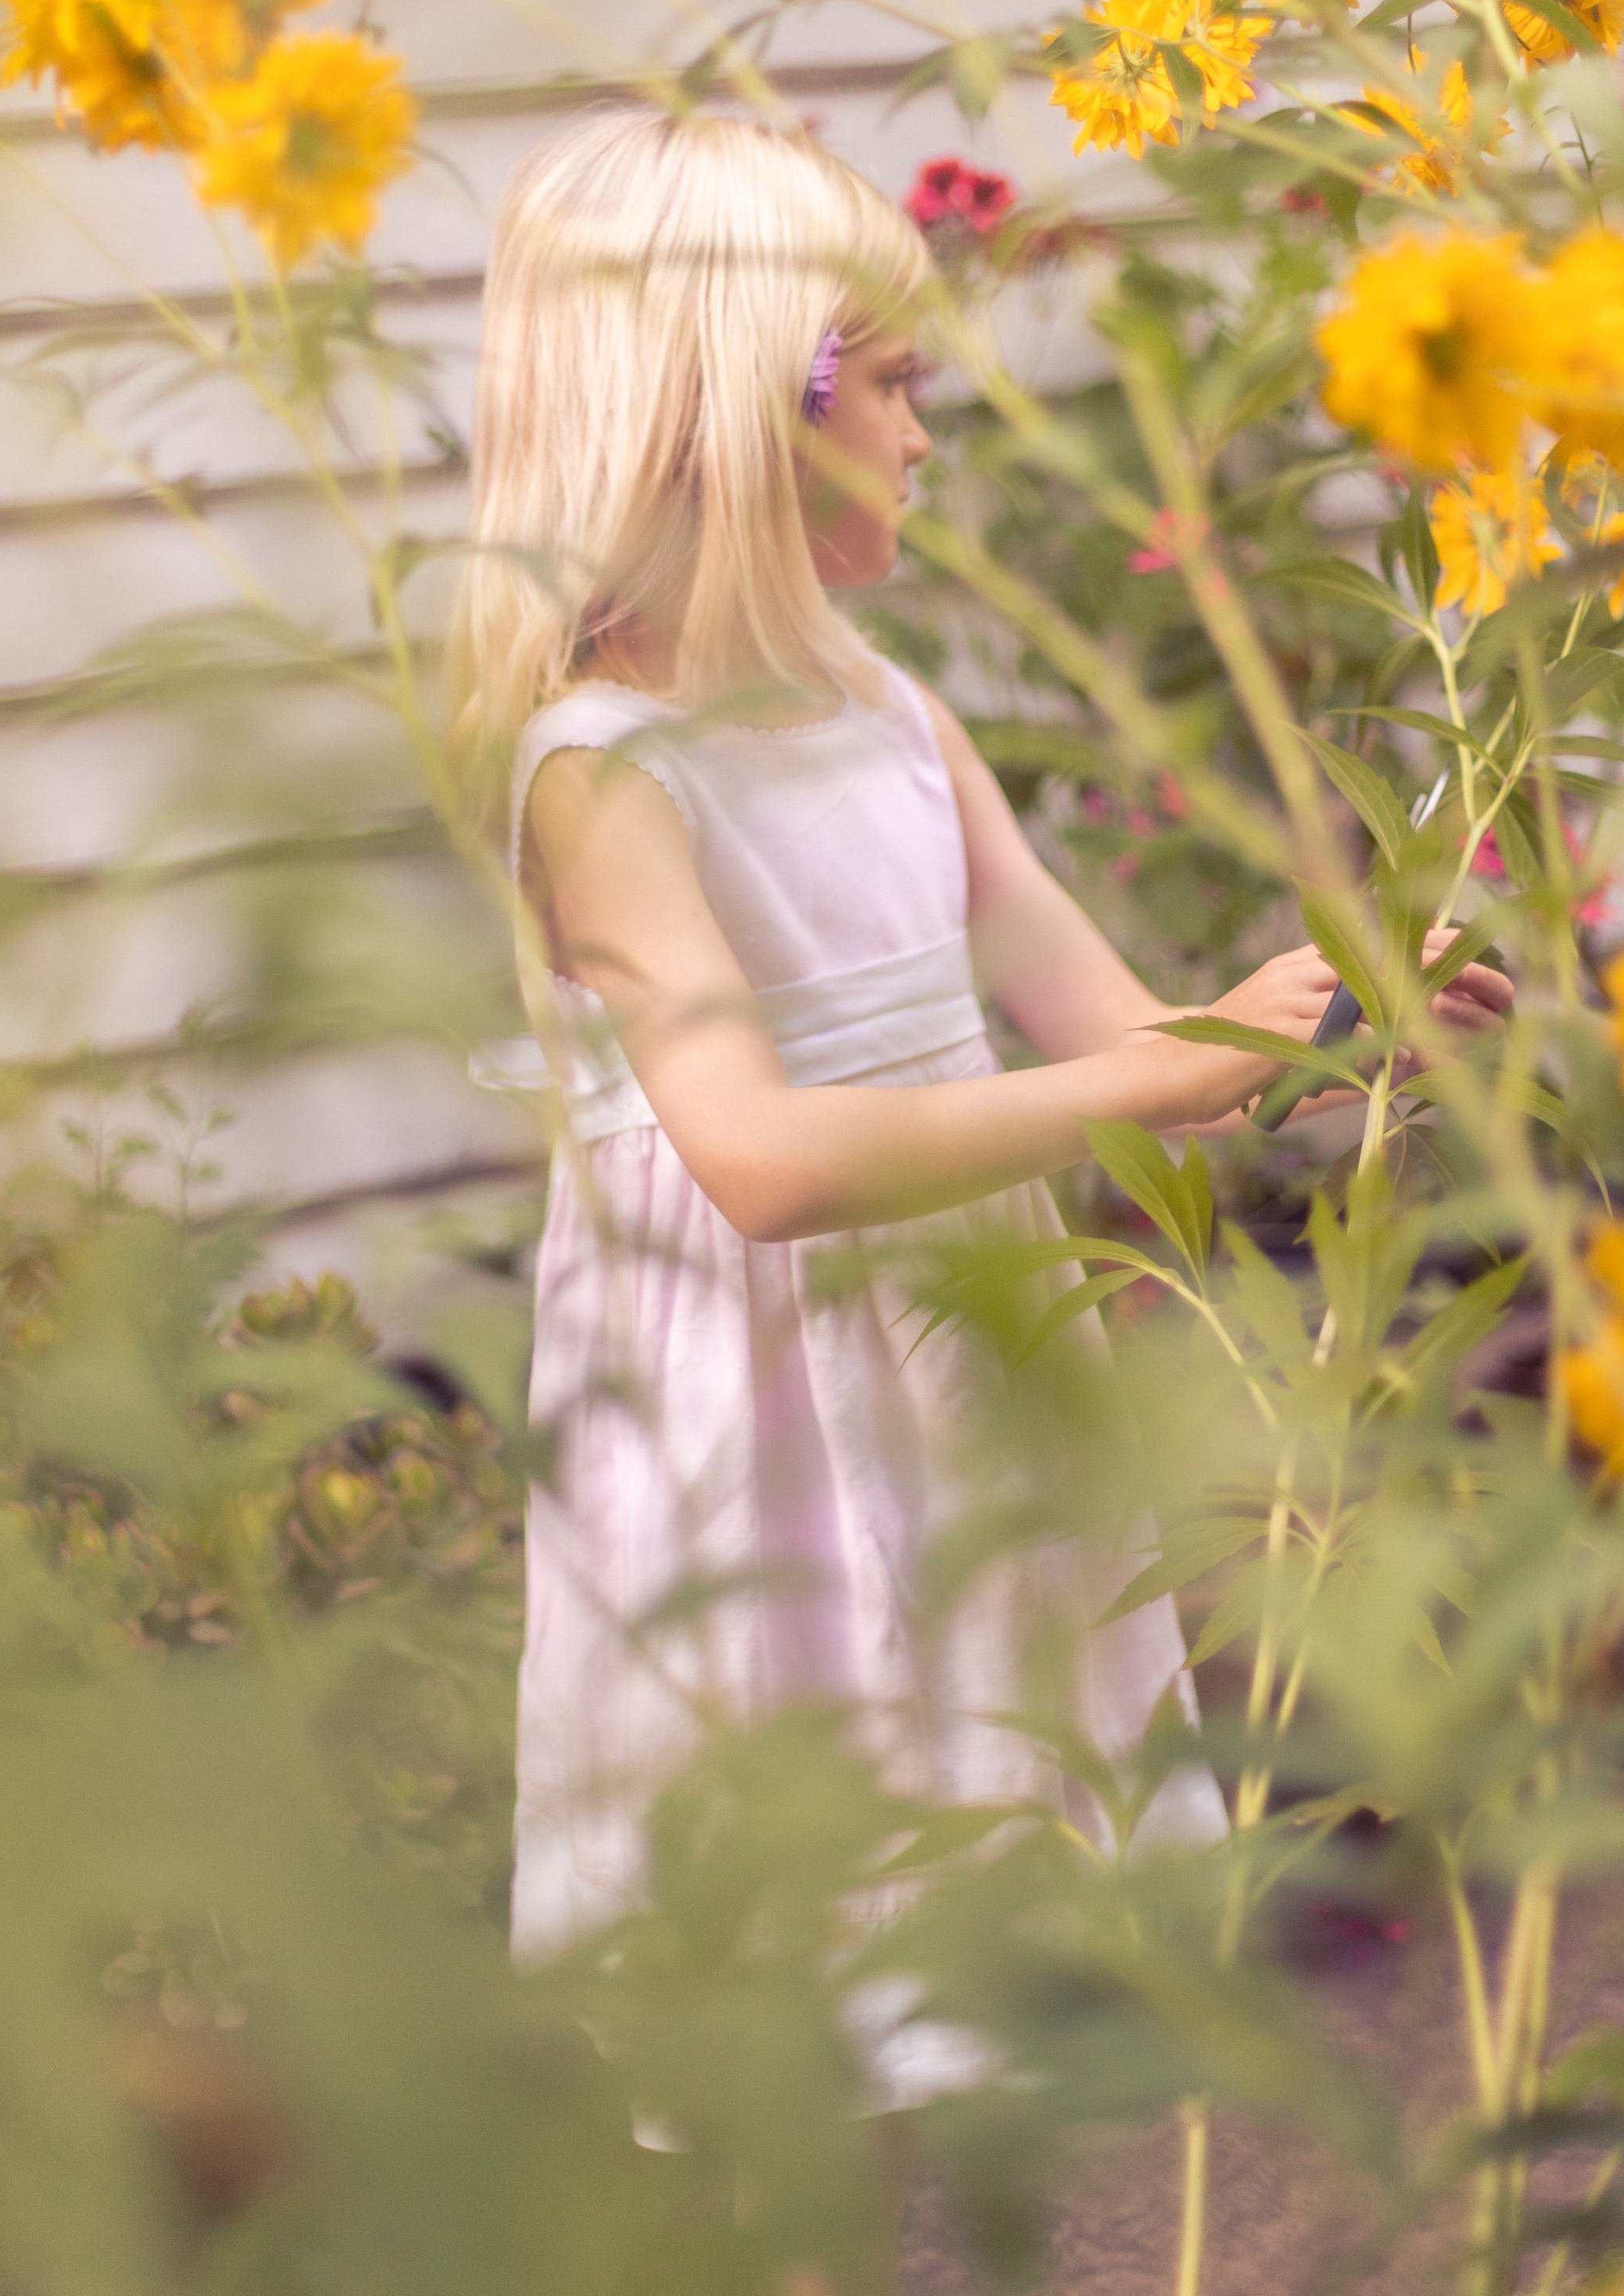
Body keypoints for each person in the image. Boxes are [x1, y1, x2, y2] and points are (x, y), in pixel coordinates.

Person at [449, 110, 1512, 1987]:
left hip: (958, 1367)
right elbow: (758, 1161)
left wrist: (1343, 1014)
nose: (930, 434)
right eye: (898, 386)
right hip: (748, 1427)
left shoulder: (888, 713)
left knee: (969, 1897)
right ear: (739, 421)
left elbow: (1118, 1025)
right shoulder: (602, 775)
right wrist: (1139, 1086)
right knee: (793, 1943)